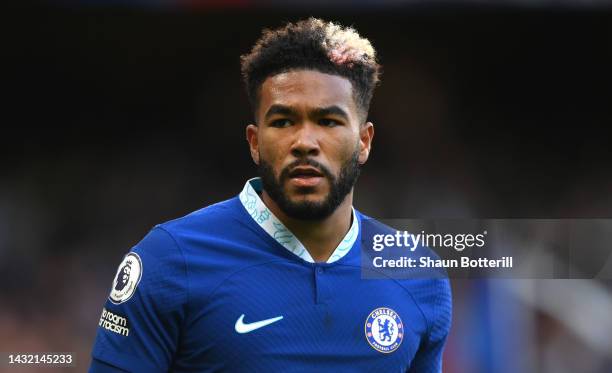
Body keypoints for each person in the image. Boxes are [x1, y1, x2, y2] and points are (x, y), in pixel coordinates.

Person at [89, 17, 451, 372]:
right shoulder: (169, 259)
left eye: (328, 121)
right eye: (283, 122)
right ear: (254, 142)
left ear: (363, 141)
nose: (305, 143)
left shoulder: (419, 276)